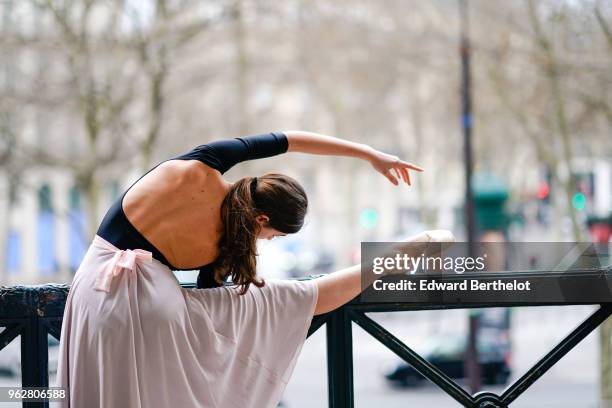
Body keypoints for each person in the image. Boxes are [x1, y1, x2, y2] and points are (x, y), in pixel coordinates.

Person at [55, 130, 428, 408]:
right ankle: (402, 254)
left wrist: (369, 154)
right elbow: (214, 296)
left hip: (96, 293)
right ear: (262, 217)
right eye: (271, 235)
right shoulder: (226, 246)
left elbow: (290, 139)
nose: (265, 241)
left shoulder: (204, 162)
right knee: (280, 301)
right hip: (159, 312)